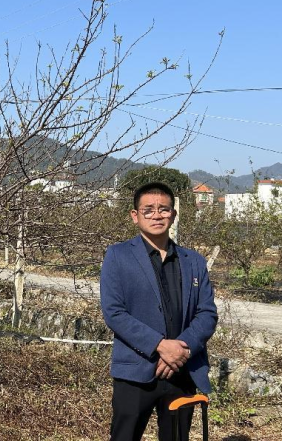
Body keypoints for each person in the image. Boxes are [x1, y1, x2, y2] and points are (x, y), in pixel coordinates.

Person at [100, 182, 218, 441]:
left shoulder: (194, 261)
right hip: (136, 371)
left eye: (163, 209)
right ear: (135, 216)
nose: (157, 215)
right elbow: (114, 312)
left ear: (173, 214)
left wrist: (182, 349)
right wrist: (160, 346)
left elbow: (207, 313)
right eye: (148, 210)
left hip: (182, 369)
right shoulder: (118, 256)